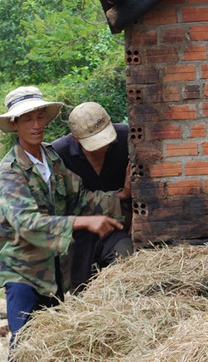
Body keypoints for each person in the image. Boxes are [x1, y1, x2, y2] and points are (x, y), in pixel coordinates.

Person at [0, 86, 131, 348]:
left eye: (40, 117)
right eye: (28, 119)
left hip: (54, 270)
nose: (36, 125)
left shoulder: (52, 158)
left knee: (48, 346)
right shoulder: (10, 172)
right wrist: (83, 222)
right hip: (24, 273)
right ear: (14, 124)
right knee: (24, 345)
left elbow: (78, 198)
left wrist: (120, 196)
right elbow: (27, 224)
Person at [51, 102, 134, 291]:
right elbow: (67, 203)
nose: (101, 148)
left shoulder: (127, 138)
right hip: (79, 238)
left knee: (127, 268)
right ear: (75, 138)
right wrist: (122, 195)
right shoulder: (58, 154)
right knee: (82, 292)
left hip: (119, 230)